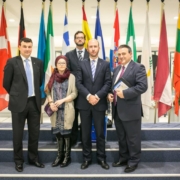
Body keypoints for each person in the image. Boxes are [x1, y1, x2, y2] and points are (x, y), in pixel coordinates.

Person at [3, 37, 44, 172]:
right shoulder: (12, 62)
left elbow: (39, 82)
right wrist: (17, 94)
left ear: (32, 47)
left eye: (29, 47)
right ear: (19, 47)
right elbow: (6, 83)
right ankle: (18, 160)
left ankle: (33, 158)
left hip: (34, 103)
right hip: (18, 103)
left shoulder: (38, 62)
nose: (27, 49)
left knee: (34, 133)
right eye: (25, 46)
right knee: (18, 134)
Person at [108, 44, 147, 173]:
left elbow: (142, 86)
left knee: (133, 138)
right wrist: (110, 95)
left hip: (131, 110)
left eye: (124, 54)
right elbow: (114, 88)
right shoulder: (117, 69)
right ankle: (123, 158)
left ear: (130, 54)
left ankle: (133, 161)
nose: (121, 56)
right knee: (121, 137)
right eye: (119, 54)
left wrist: (124, 94)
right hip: (117, 109)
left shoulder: (138, 67)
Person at [76, 39, 111, 170]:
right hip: (84, 104)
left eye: (95, 46)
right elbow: (78, 83)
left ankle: (102, 159)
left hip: (99, 103)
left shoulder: (105, 64)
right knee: (85, 134)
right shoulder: (81, 64)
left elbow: (108, 83)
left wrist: (96, 96)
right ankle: (87, 159)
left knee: (100, 133)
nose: (93, 49)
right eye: (90, 46)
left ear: (99, 48)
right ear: (87, 48)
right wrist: (88, 96)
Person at [45, 55, 77, 168]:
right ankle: (59, 156)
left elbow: (74, 93)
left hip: (67, 109)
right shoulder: (52, 76)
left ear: (66, 64)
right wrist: (51, 103)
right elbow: (47, 91)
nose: (62, 65)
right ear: (56, 65)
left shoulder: (71, 77)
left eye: (64, 63)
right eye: (59, 63)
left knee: (67, 134)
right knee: (58, 133)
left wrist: (62, 100)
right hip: (55, 110)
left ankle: (67, 157)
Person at [66, 31, 89, 146]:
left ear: (84, 40)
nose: (80, 39)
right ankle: (73, 139)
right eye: (77, 38)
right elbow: (67, 72)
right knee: (73, 117)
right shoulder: (68, 55)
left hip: (87, 91)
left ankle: (85, 140)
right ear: (74, 40)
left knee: (85, 118)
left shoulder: (90, 53)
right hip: (73, 91)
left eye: (81, 38)